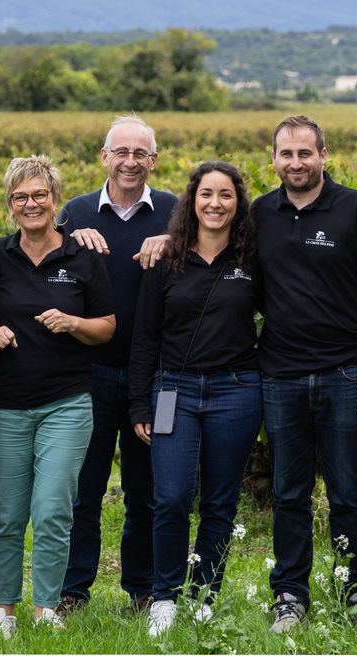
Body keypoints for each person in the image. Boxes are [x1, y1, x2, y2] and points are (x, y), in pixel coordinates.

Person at [256, 114, 357, 637]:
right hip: (281, 373)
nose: (296, 163)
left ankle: (356, 592)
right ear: (274, 160)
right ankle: (290, 595)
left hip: (346, 372)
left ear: (323, 155)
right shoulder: (260, 214)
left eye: (305, 154)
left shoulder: (355, 209)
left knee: (347, 490)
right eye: (286, 155)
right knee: (288, 491)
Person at [0, 156, 116, 639]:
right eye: (21, 197)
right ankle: (4, 609)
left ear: (56, 200)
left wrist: (74, 323)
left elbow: (107, 328)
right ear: (10, 206)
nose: (31, 204)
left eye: (39, 195)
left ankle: (46, 607)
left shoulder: (82, 258)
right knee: (8, 512)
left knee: (55, 507)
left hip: (67, 403)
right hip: (7, 405)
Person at [129, 161, 263, 638]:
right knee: (170, 498)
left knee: (221, 502)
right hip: (173, 392)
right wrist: (140, 404)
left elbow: (285, 315)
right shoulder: (166, 260)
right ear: (192, 200)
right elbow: (144, 338)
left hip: (237, 391)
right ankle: (164, 596)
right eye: (207, 194)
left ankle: (205, 595)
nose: (215, 203)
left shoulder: (251, 260)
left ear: (237, 204)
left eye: (226, 195)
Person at [57, 114, 178, 615]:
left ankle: (143, 588)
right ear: (104, 157)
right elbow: (42, 263)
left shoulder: (177, 211)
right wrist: (70, 241)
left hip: (160, 378)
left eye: (141, 154)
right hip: (88, 372)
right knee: (82, 489)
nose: (131, 162)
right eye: (120, 152)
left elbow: (216, 254)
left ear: (153, 160)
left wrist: (177, 242)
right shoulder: (75, 210)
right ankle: (73, 590)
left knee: (149, 489)